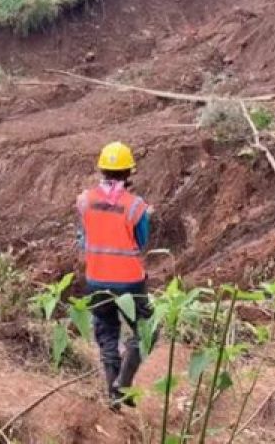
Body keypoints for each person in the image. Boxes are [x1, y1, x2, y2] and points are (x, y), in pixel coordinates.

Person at [77, 141, 154, 408]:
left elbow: (82, 238)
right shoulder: (135, 206)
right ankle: (124, 382)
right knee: (145, 330)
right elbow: (141, 241)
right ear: (129, 172)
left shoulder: (85, 200)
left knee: (107, 333)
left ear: (101, 170)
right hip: (130, 281)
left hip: (96, 278)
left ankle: (113, 394)